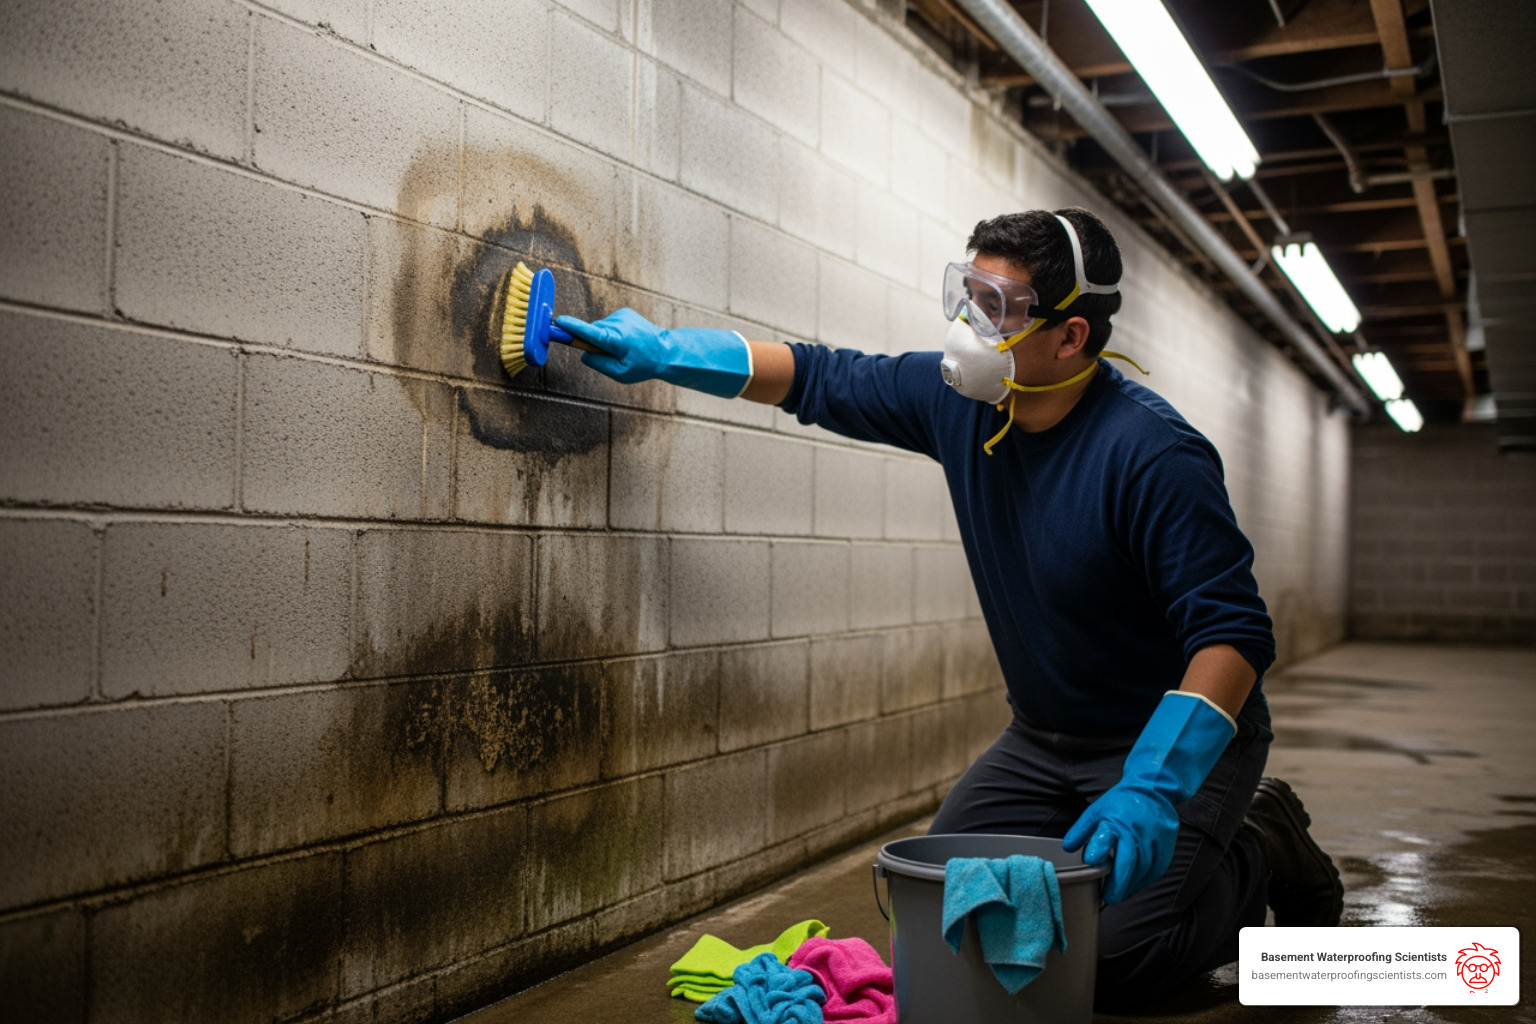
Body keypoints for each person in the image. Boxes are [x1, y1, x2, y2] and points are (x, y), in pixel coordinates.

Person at [556, 207, 1344, 1008]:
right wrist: (663, 353)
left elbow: (1234, 634)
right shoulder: (964, 405)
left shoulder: (1152, 456)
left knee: (1112, 968)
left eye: (997, 307)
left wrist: (1153, 784)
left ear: (1070, 337)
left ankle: (1256, 847)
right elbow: (817, 375)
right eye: (967, 292)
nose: (970, 321)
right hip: (1043, 739)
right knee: (940, 920)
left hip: (1167, 746)